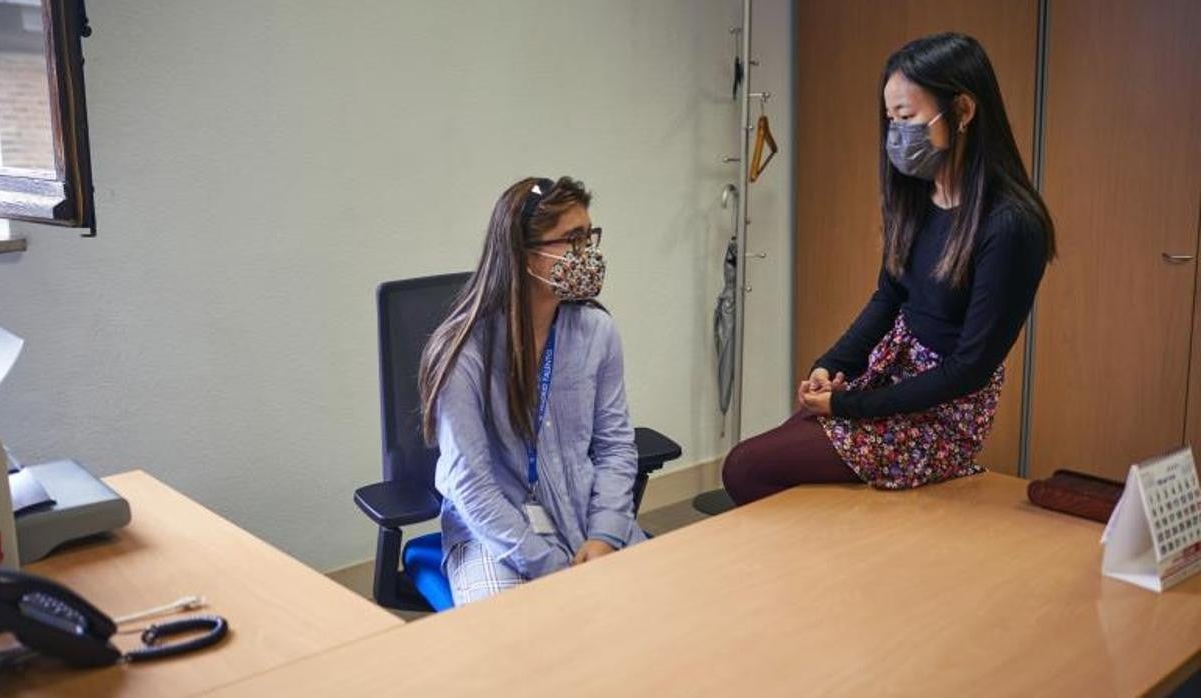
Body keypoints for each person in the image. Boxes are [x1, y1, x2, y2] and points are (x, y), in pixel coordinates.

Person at [723, 32, 1055, 504]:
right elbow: (889, 297)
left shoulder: (1012, 225)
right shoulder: (919, 195)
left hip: (942, 417)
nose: (897, 134)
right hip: (889, 378)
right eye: (891, 119)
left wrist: (849, 404)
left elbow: (969, 369)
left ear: (962, 111)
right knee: (772, 455)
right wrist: (831, 366)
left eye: (908, 117)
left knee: (747, 468)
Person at [418, 176, 646, 605]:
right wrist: (550, 567)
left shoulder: (597, 332)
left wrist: (605, 535)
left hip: (585, 522)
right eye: (572, 239)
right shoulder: (463, 353)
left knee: (659, 615)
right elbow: (472, 487)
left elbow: (616, 447)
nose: (587, 254)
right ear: (522, 254)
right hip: (495, 536)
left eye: (590, 236)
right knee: (522, 647)